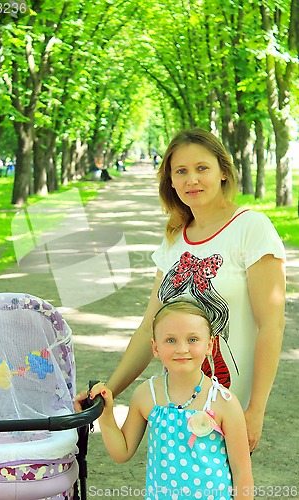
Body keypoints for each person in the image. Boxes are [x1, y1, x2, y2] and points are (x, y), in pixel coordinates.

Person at [76, 128, 286, 452]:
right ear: (171, 181)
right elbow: (150, 327)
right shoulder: (175, 238)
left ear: (223, 173)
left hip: (228, 409)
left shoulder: (251, 228)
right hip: (177, 408)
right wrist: (108, 393)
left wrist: (255, 410)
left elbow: (272, 324)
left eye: (202, 168)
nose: (193, 180)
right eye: (181, 171)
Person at [88, 301, 254, 500]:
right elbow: (122, 453)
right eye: (170, 340)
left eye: (192, 339)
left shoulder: (224, 402)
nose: (182, 348)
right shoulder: (146, 395)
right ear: (155, 348)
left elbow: (242, 472)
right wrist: (106, 416)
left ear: (210, 345)